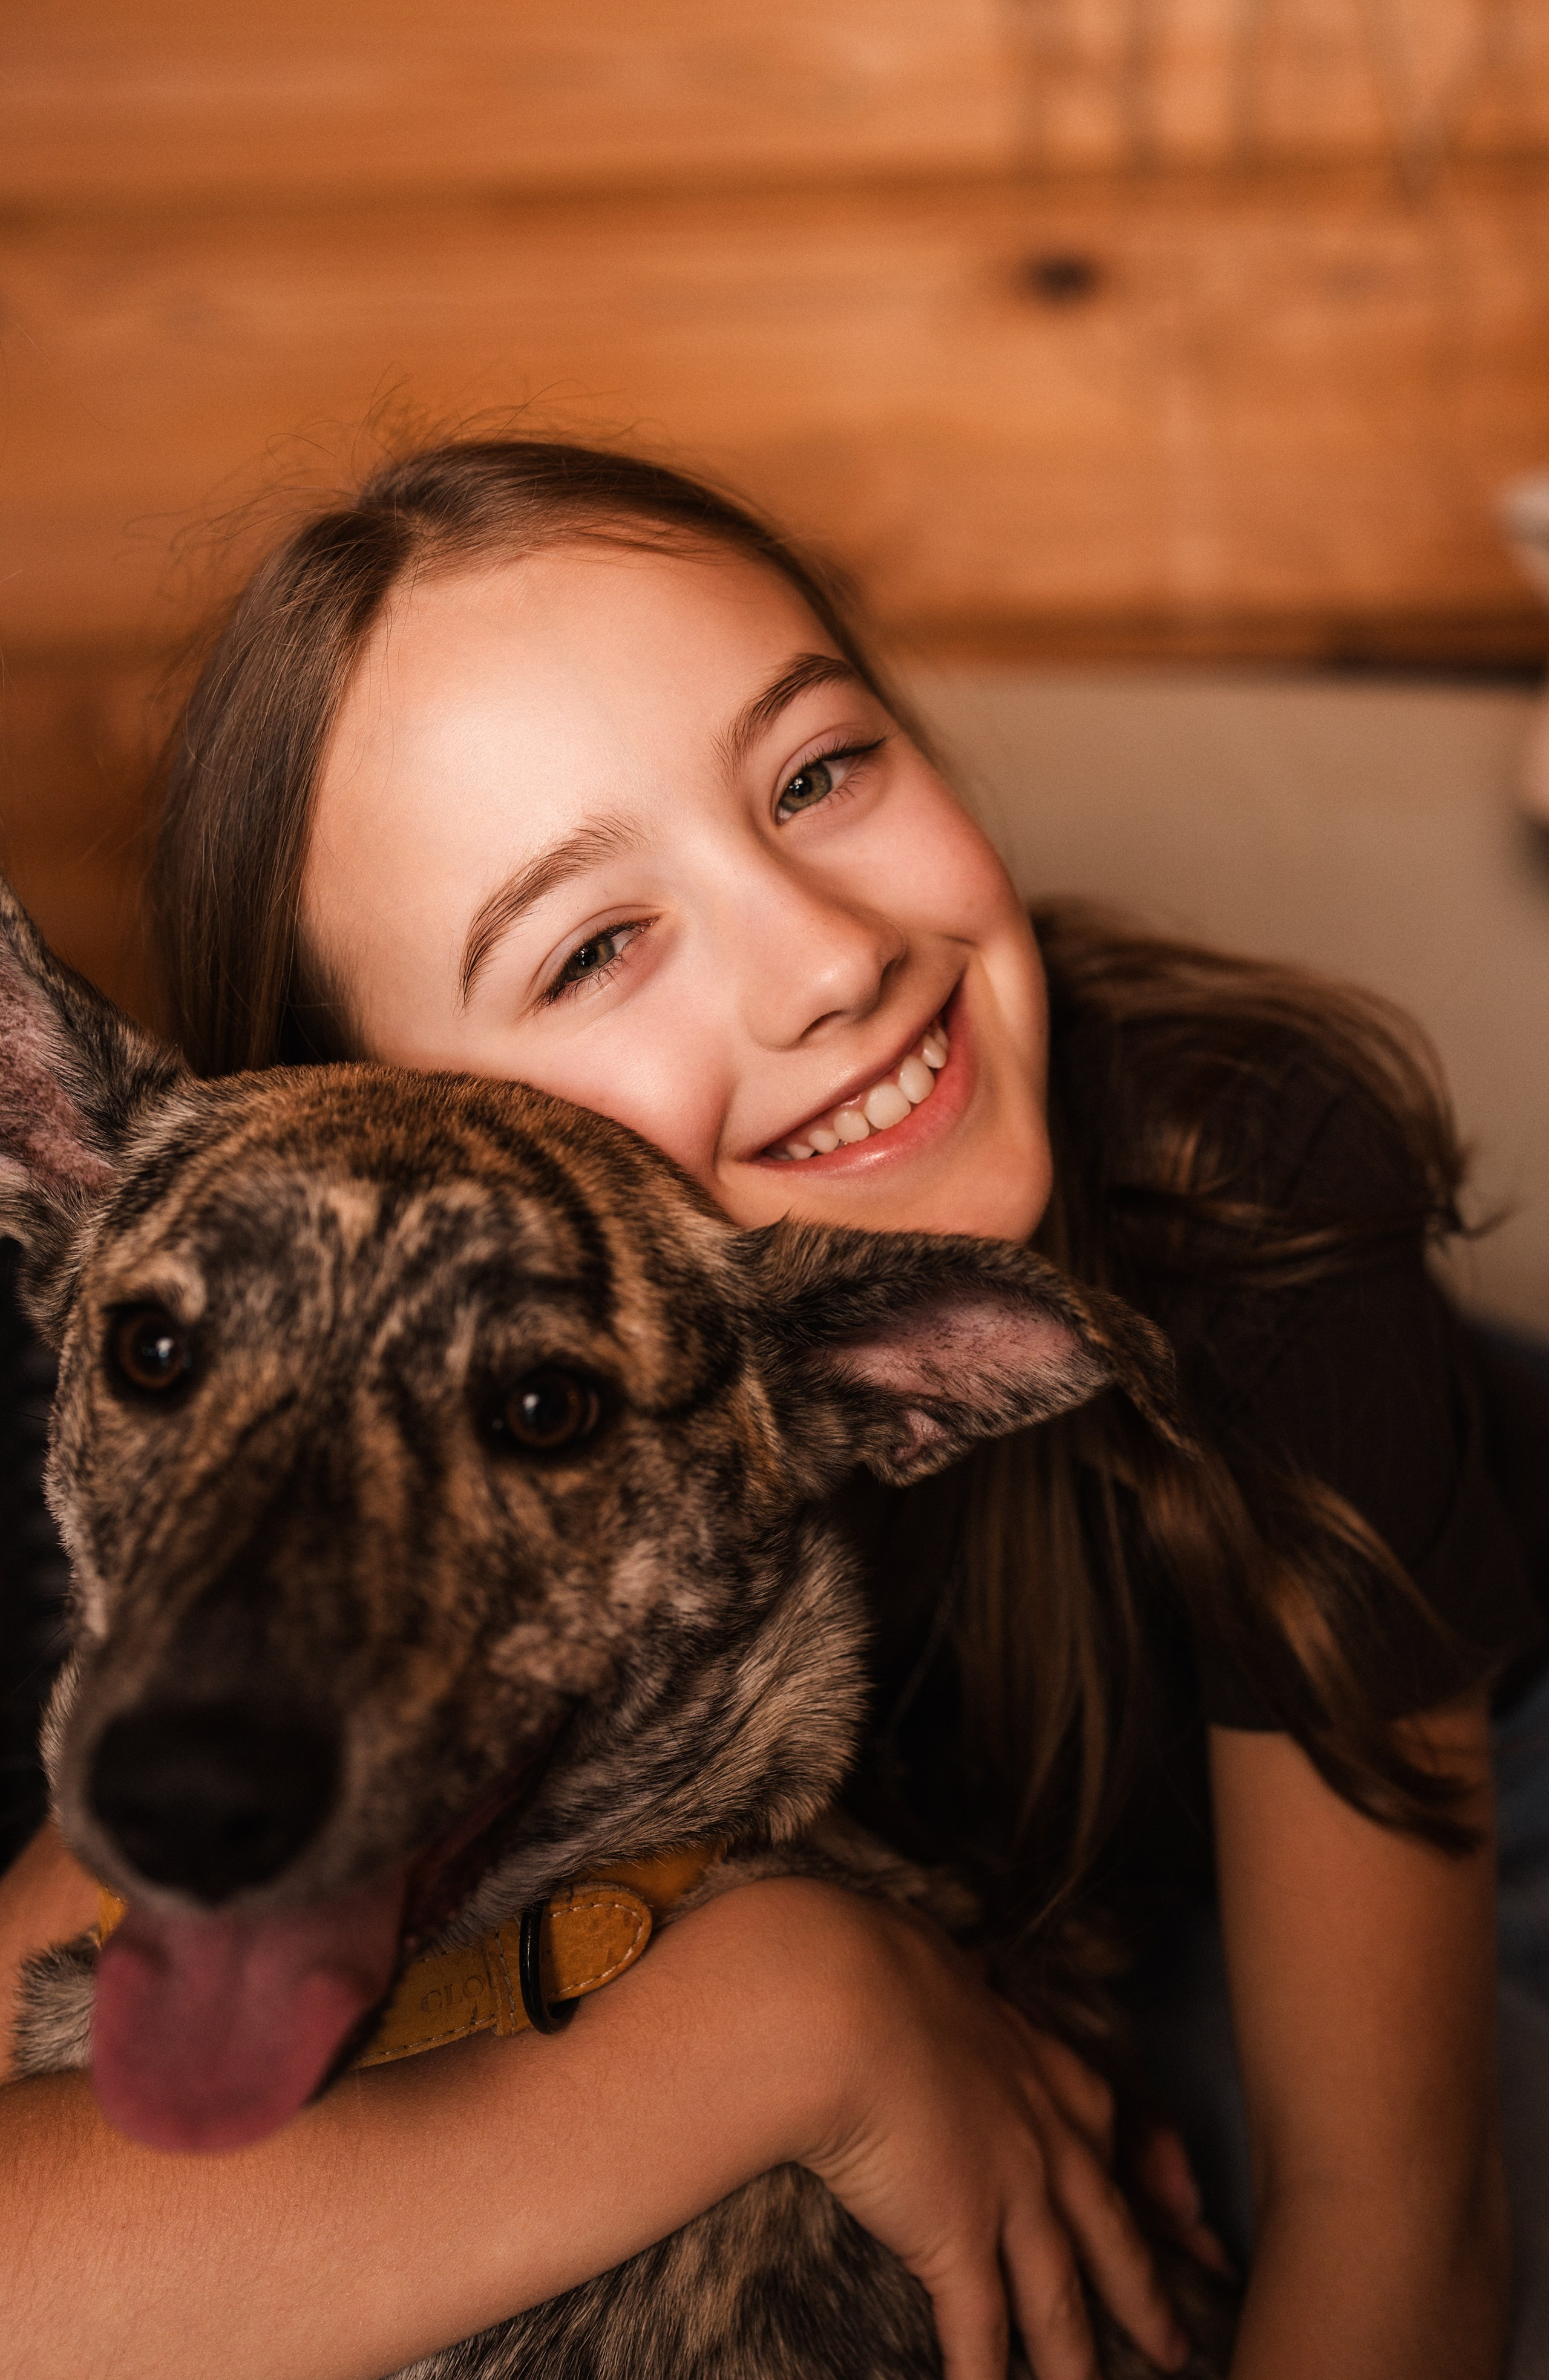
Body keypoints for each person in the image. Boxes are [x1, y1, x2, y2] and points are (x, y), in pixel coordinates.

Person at [1, 437, 1545, 2380]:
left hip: (1394, 1715)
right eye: (589, 946)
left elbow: (1404, 2215)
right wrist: (797, 2020)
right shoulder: (253, 1365)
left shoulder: (1239, 1195)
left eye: (821, 771)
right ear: (366, 1121)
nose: (829, 964)